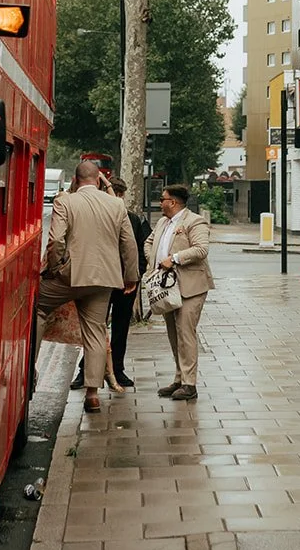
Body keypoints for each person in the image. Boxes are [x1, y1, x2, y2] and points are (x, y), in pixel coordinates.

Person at [40, 160, 138, 414]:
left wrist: (55, 269)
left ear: (74, 180)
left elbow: (56, 241)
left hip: (70, 277)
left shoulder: (65, 200)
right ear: (98, 180)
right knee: (96, 333)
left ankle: (28, 370)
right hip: (104, 279)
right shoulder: (116, 204)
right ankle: (93, 394)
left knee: (36, 308)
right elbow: (128, 244)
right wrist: (131, 277)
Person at [70, 178, 149, 391]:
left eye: (119, 195)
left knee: (120, 327)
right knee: (94, 328)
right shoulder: (94, 219)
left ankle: (118, 369)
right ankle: (85, 370)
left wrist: (136, 274)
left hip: (125, 283)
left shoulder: (134, 220)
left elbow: (142, 248)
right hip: (102, 280)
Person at [148, 184, 212, 402]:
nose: (160, 202)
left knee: (186, 333)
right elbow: (149, 242)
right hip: (167, 287)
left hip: (190, 287)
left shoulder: (194, 222)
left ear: (173, 202)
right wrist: (155, 261)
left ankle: (189, 384)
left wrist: (173, 258)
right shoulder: (163, 222)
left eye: (162, 198)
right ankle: (179, 378)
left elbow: (201, 249)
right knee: (173, 334)